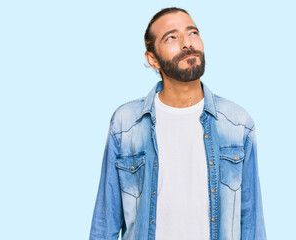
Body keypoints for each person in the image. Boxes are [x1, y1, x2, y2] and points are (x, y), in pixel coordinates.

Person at [89, 7, 266, 240]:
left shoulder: (237, 124)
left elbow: (251, 224)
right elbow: (105, 223)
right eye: (172, 37)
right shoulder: (125, 124)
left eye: (192, 33)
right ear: (152, 59)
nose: (187, 43)